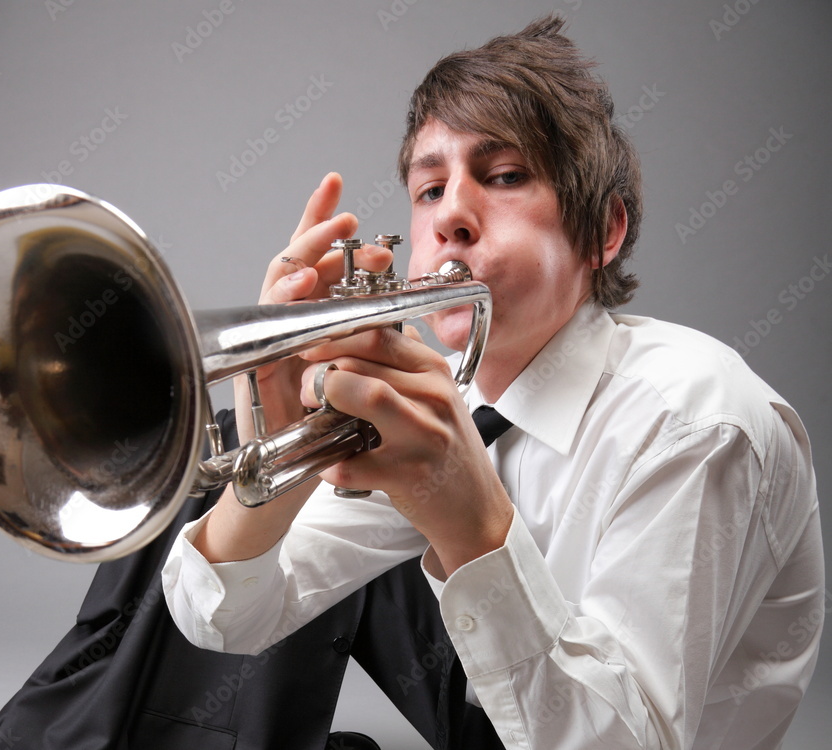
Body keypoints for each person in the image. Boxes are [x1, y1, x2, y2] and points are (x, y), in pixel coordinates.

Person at [163, 14, 825, 750]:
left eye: (504, 176)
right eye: (428, 189)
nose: (450, 215)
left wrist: (461, 512)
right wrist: (272, 468)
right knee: (218, 458)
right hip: (495, 717)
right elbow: (221, 619)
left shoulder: (698, 420)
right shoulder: (454, 397)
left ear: (603, 231)